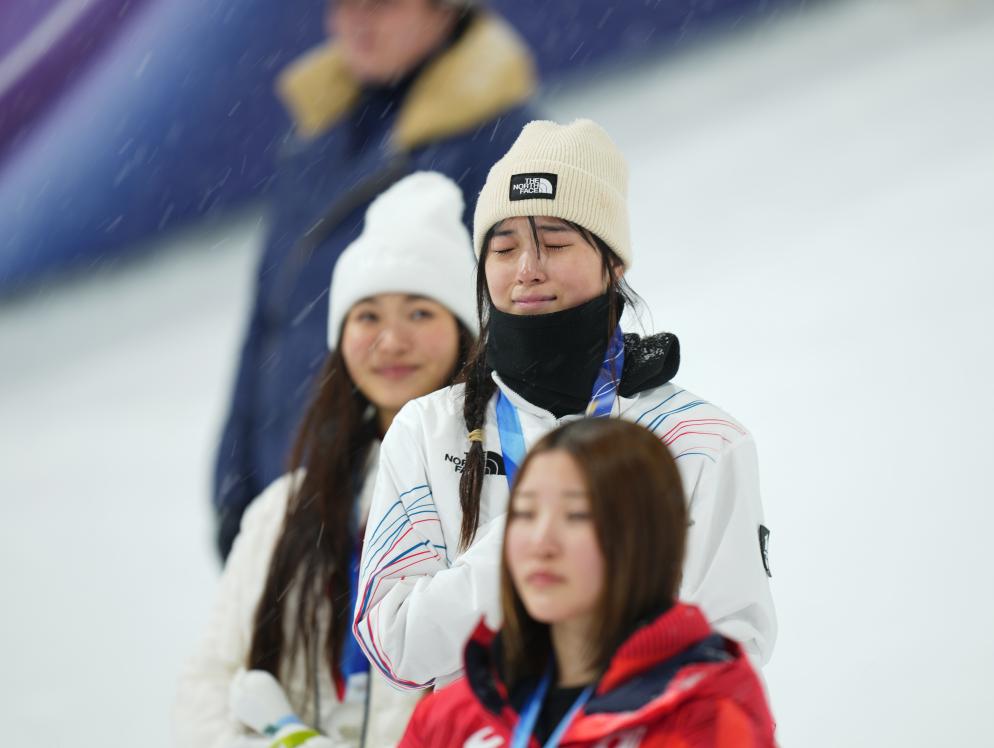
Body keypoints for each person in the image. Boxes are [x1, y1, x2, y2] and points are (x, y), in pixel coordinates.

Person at [354, 119, 777, 695]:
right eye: (504, 248)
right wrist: (534, 536)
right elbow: (397, 648)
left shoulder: (699, 440)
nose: (527, 268)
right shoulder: (429, 431)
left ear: (614, 262)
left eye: (554, 244)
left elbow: (730, 656)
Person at [213, 0, 540, 559]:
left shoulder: (500, 145)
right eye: (342, 3)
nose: (357, 19)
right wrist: (235, 485)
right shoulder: (315, 134)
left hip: (409, 517)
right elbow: (269, 322)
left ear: (444, 9)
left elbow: (522, 346)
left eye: (382, 3)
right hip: (292, 499)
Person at [174, 173, 478, 748]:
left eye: (419, 313)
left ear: (465, 333)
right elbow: (207, 685)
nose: (391, 341)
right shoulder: (283, 510)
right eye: (368, 316)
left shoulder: (492, 497)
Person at [398, 418, 777, 747]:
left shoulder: (709, 710)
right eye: (525, 513)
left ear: (645, 535)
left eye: (576, 515)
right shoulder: (455, 713)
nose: (541, 541)